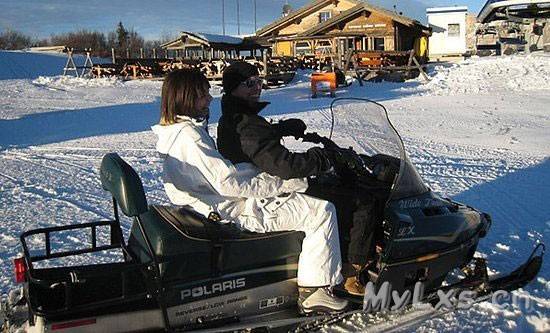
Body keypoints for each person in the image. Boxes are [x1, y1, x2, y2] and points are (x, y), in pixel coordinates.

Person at [152, 68, 348, 314]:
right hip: (230, 211)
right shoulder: (189, 137)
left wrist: (268, 161)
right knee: (321, 210)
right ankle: (315, 291)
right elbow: (231, 183)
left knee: (300, 199)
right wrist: (286, 182)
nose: (209, 99)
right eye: (202, 95)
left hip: (208, 205)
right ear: (185, 97)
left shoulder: (172, 132)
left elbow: (223, 173)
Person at [217, 62, 378, 296]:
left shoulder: (236, 117)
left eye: (259, 81)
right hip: (270, 190)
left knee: (335, 191)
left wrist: (280, 129)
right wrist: (321, 158)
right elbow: (284, 165)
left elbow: (256, 146)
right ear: (232, 88)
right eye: (249, 84)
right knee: (362, 199)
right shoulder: (246, 122)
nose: (257, 88)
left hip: (263, 185)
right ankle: (352, 273)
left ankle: (340, 252)